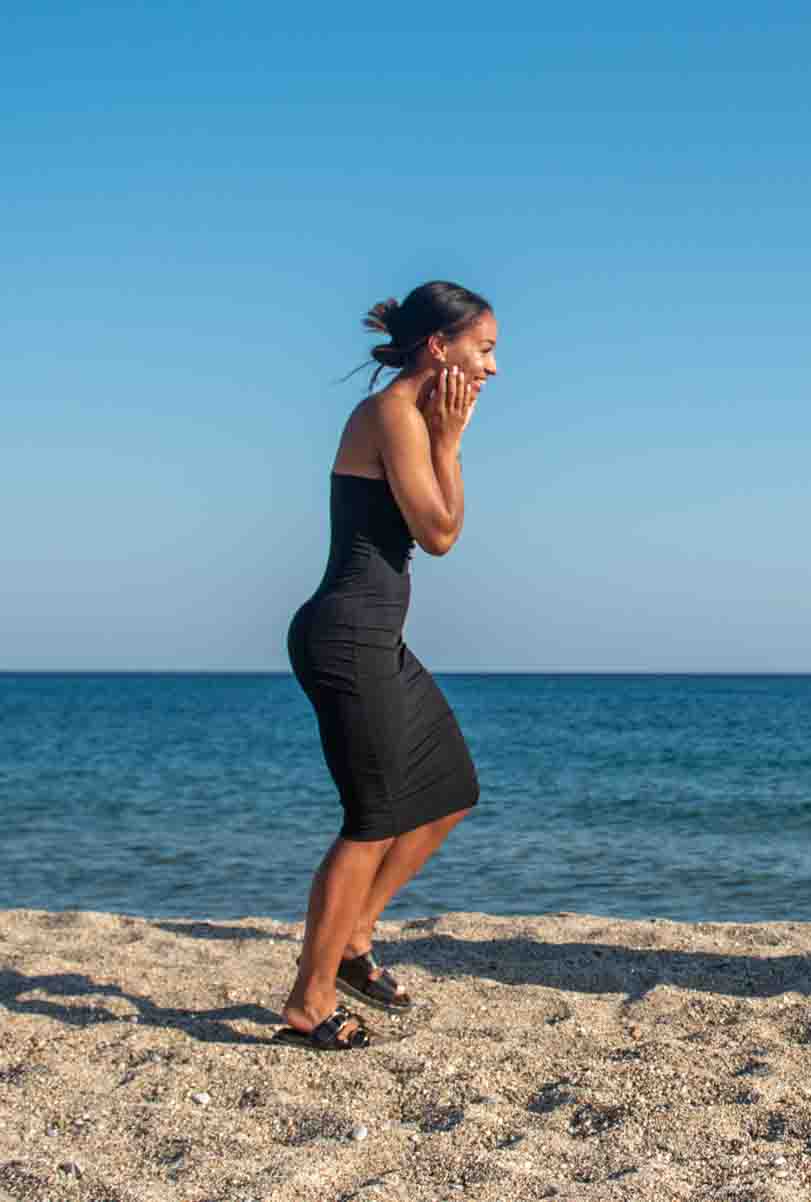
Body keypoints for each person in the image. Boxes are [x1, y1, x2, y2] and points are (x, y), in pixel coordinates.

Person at [276, 281, 498, 1049]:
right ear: (439, 346)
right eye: (484, 350)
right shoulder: (392, 414)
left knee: (449, 791)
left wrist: (445, 440)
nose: (492, 368)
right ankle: (308, 1002)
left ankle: (353, 940)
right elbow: (439, 534)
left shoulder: (409, 417)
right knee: (371, 821)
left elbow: (439, 529)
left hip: (375, 639)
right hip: (347, 638)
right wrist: (450, 444)